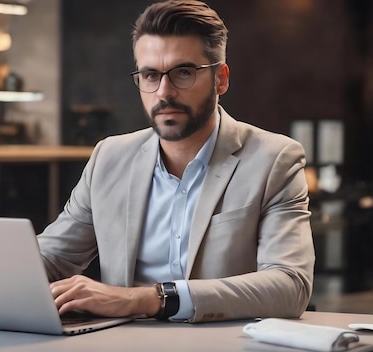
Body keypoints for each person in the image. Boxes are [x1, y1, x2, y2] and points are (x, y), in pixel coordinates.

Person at [37, 0, 314, 323]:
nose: (164, 92)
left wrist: (146, 298)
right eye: (151, 75)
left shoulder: (274, 160)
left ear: (220, 79)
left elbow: (289, 285)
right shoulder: (109, 157)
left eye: (184, 73)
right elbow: (51, 258)